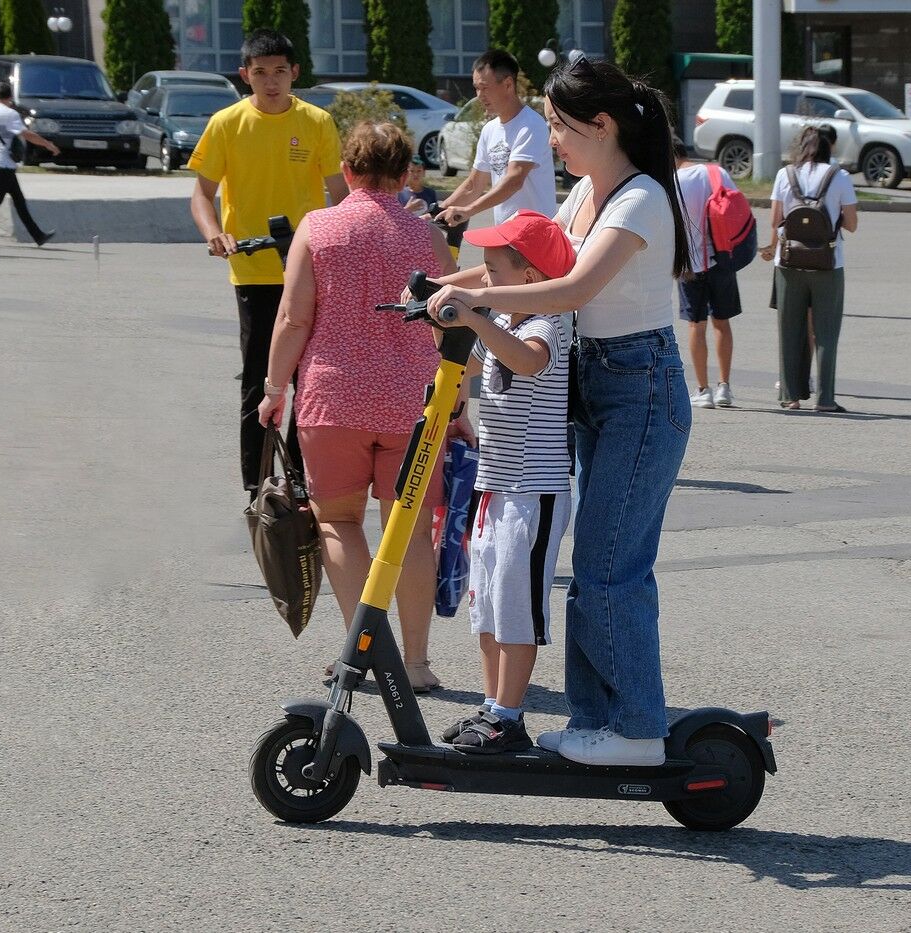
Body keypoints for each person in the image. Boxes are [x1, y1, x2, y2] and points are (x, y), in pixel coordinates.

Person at [426, 58, 693, 767]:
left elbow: (569, 289)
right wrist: (438, 283)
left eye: (559, 126)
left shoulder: (639, 201)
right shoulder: (583, 198)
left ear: (601, 126)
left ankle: (636, 727)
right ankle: (596, 720)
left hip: (641, 387)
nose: (551, 140)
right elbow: (518, 265)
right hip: (596, 386)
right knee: (594, 564)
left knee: (611, 566)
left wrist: (476, 306)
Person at [256, 122, 457, 692]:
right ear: (403, 175)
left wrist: (274, 389)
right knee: (413, 531)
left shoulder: (318, 228)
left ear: (346, 171)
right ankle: (416, 664)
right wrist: (457, 401)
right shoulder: (428, 238)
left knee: (340, 523)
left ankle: (362, 650)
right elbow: (448, 324)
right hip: (414, 402)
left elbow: (294, 318)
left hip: (334, 397)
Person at [428, 211, 575, 753]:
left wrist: (475, 316)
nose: (484, 278)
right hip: (495, 485)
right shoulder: (506, 322)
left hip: (532, 492)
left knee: (517, 606)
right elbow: (479, 360)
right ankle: (491, 708)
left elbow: (529, 363)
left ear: (532, 277)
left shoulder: (545, 325)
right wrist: (441, 298)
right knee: (486, 605)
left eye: (495, 269)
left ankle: (510, 716)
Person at [189, 29, 348, 500]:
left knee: (309, 379)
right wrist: (213, 232)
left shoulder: (317, 122)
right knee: (261, 375)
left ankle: (301, 480)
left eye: (280, 71)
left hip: (309, 268)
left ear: (294, 73)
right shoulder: (226, 123)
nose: (271, 82)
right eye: (260, 73)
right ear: (245, 76)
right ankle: (256, 483)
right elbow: (201, 193)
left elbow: (340, 192)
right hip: (254, 271)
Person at [758, 125, 858, 413]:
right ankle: (825, 399)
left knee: (789, 330)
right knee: (826, 332)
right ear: (828, 149)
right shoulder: (840, 177)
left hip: (788, 261)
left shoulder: (784, 174)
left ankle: (790, 396)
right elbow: (851, 224)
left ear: (800, 149)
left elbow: (776, 219)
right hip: (828, 262)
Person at [436, 49, 557, 229]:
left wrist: (468, 210)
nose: (479, 95)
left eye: (484, 88)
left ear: (508, 84)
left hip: (535, 236)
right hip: (505, 235)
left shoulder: (531, 125)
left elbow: (514, 180)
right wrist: (438, 211)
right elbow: (473, 185)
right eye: (476, 88)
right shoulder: (489, 130)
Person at [674, 138, 741, 409]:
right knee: (722, 323)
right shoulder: (716, 172)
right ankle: (725, 386)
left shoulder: (673, 181)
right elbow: (735, 207)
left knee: (696, 325)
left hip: (690, 264)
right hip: (722, 259)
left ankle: (704, 390)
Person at [0, 81, 60, 247]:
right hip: (5, 163)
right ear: (9, 98)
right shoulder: (10, 114)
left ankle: (38, 235)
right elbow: (26, 134)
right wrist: (47, 144)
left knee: (19, 202)